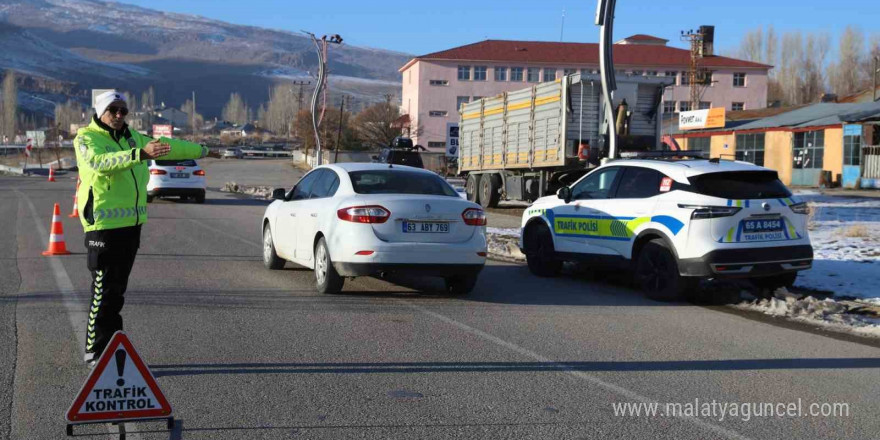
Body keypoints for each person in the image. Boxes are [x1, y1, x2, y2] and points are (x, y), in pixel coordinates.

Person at [74, 90, 211, 365]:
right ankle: (95, 350)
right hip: (103, 225)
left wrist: (203, 150)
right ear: (100, 112)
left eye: (123, 111)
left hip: (131, 224)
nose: (118, 115)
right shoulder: (87, 138)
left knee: (117, 291)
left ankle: (113, 346)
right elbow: (99, 164)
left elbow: (170, 147)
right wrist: (139, 154)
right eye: (113, 110)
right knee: (103, 289)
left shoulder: (132, 137)